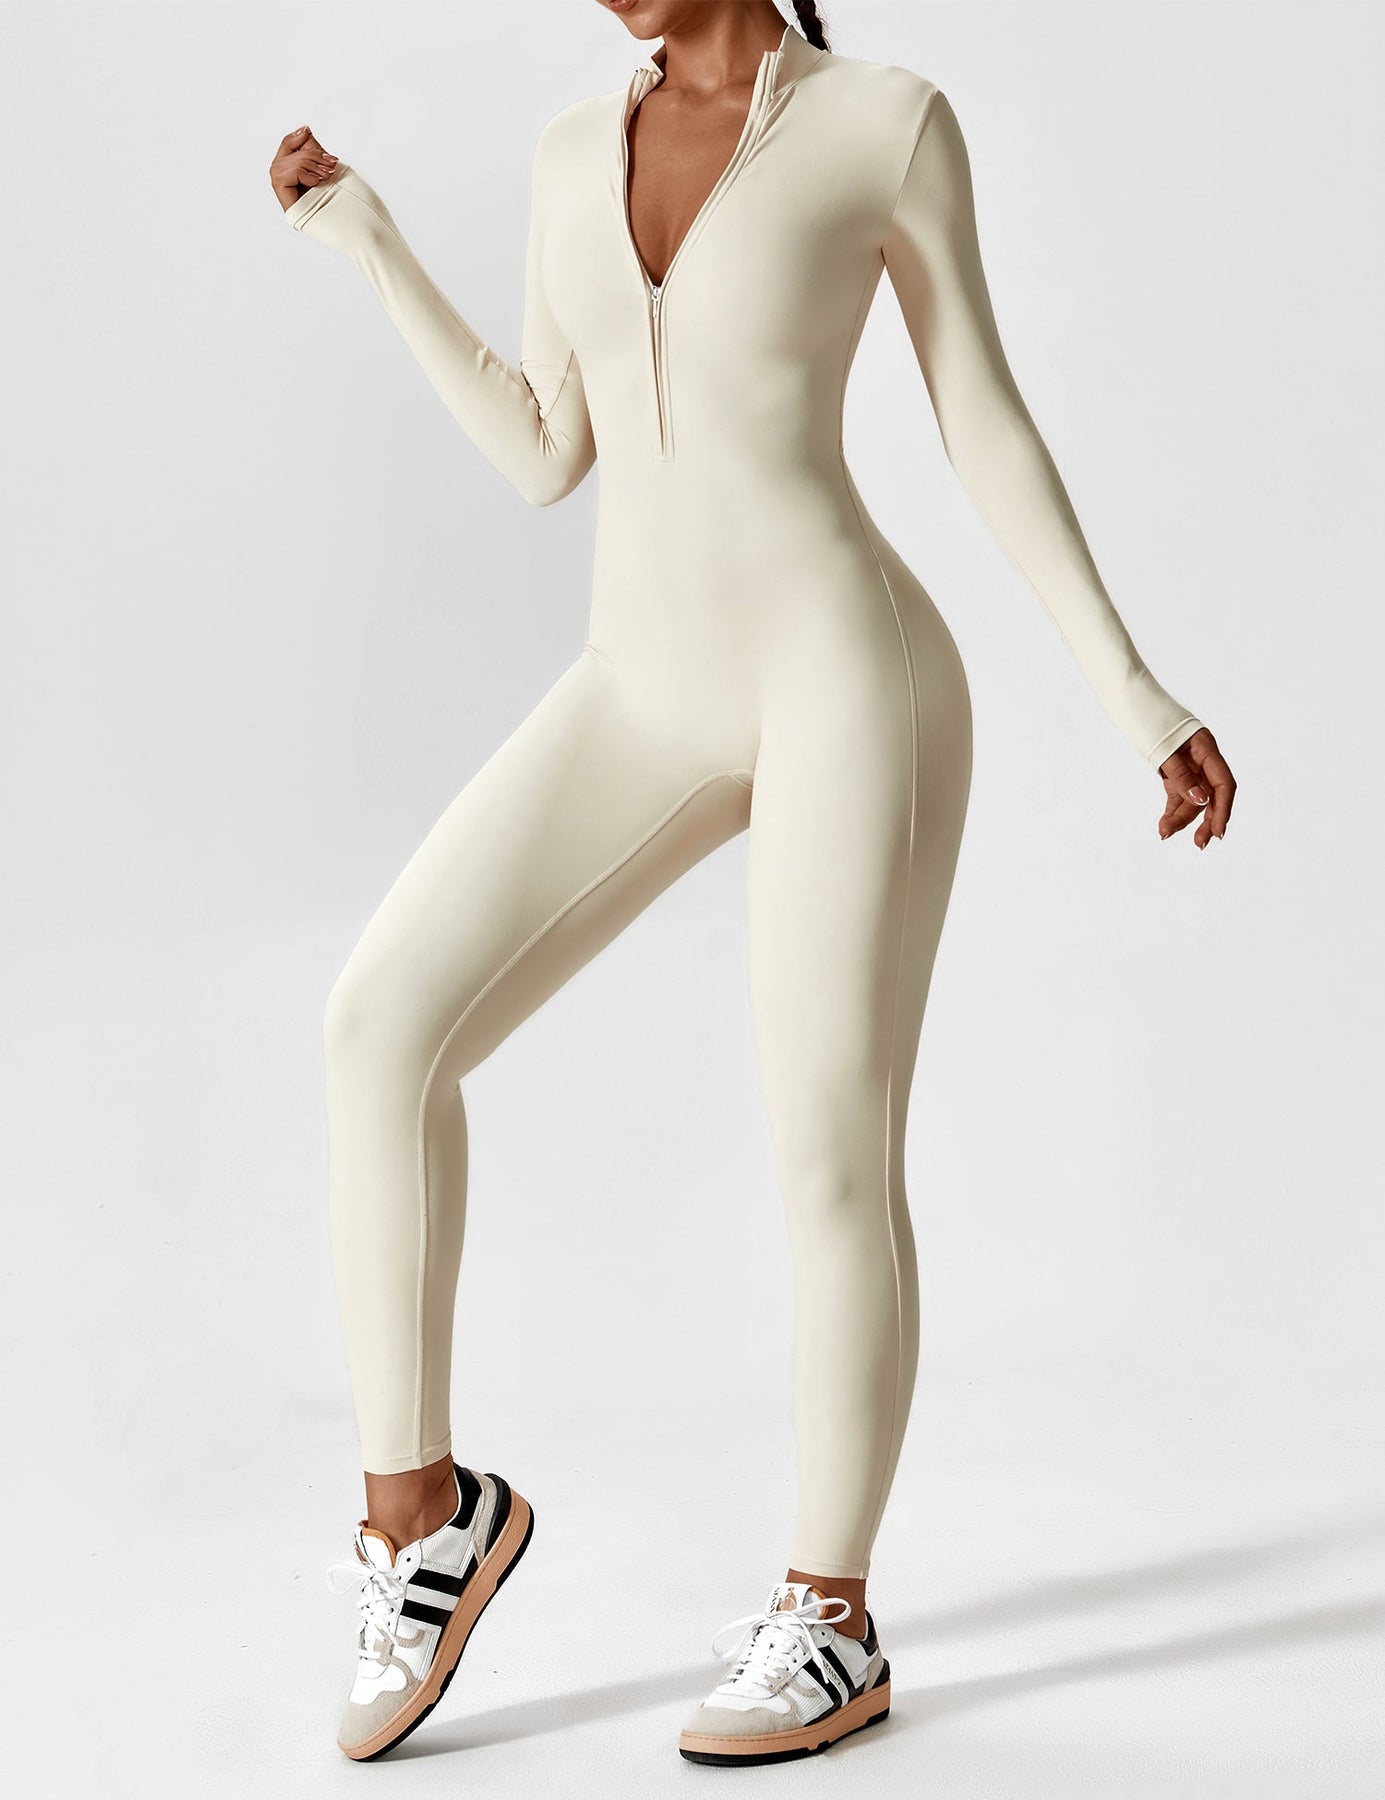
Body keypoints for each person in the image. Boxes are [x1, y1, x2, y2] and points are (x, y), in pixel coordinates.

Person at [272, 0, 1235, 1766]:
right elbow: (543, 450)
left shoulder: (882, 122)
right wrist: (371, 243)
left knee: (825, 1148)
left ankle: (829, 1618)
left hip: (841, 681)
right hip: (640, 687)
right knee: (379, 1031)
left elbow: (982, 423)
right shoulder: (573, 152)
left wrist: (1133, 692)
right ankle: (424, 1518)